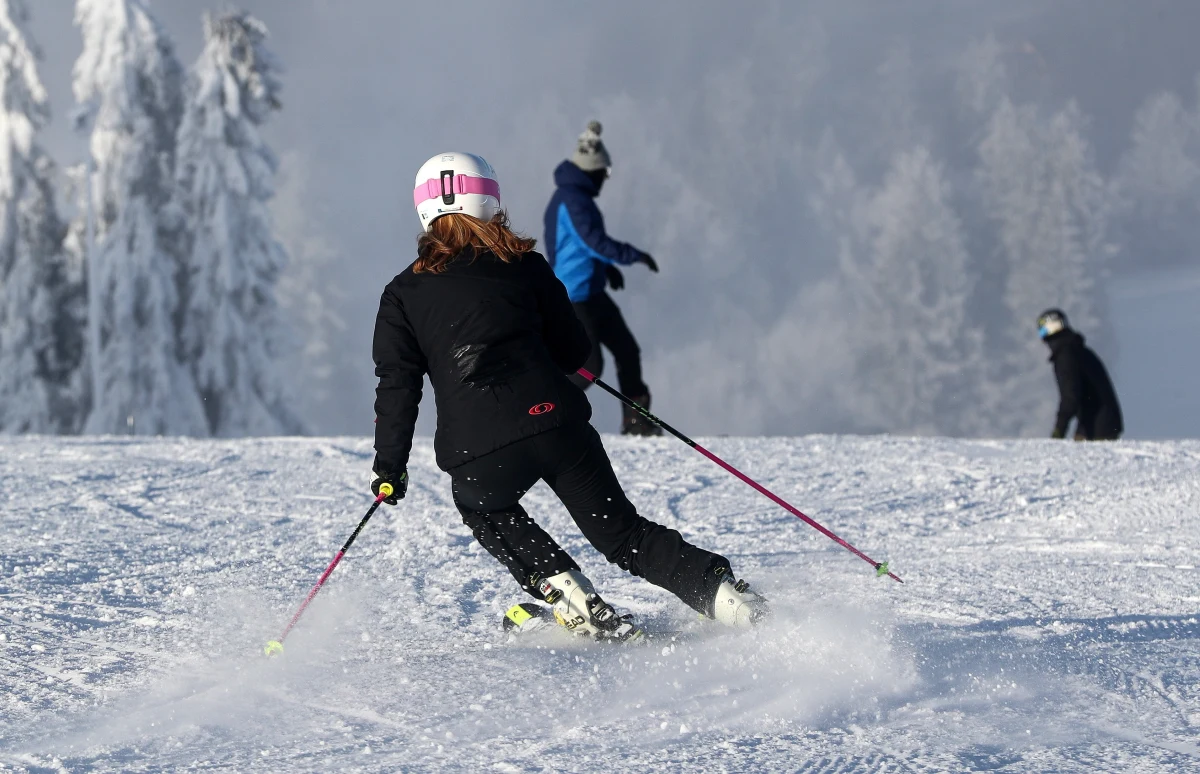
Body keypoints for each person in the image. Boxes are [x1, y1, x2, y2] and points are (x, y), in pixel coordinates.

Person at [371, 151, 767, 641]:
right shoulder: (527, 266)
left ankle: (567, 591)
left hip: (481, 450)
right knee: (623, 535)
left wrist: (390, 467)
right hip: (559, 426)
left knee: (482, 506)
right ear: (489, 199)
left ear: (424, 210)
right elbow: (575, 350)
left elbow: (398, 385)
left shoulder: (401, 294)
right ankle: (727, 598)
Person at [543, 121, 662, 436]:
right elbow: (593, 241)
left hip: (592, 291)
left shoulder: (576, 197)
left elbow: (582, 247)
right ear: (593, 172)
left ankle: (636, 419)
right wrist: (633, 255)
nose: (605, 180)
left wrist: (605, 269)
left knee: (627, 350)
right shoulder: (572, 200)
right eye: (605, 173)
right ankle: (543, 414)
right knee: (588, 367)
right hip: (574, 297)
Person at [1037, 309, 1123, 441]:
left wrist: (1059, 430)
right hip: (1100, 422)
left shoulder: (1066, 356)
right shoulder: (1077, 349)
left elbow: (1070, 397)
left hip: (1097, 427)